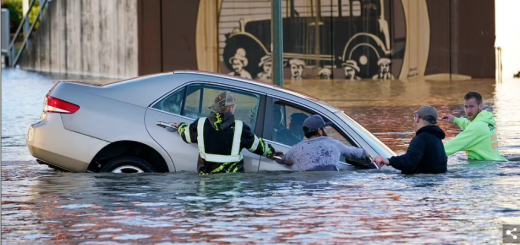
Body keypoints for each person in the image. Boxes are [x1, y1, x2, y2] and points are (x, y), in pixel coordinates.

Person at [174, 91, 282, 175]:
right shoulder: (240, 128)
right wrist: (273, 151)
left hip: (206, 184)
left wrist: (180, 126)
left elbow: (186, 135)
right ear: (231, 108)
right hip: (232, 187)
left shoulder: (200, 124)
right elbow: (258, 147)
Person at [278, 115, 369, 171]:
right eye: (324, 128)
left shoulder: (295, 149)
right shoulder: (335, 144)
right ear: (320, 131)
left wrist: (278, 154)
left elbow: (285, 160)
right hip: (330, 189)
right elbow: (359, 153)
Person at [374, 106, 447, 174]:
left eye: (415, 117)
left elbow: (410, 161)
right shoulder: (438, 140)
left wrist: (389, 161)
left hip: (422, 185)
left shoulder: (420, 139)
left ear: (418, 118)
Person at [441, 92, 508, 161]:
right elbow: (471, 126)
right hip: (494, 164)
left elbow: (451, 147)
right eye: (466, 107)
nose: (468, 111)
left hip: (483, 168)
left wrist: (431, 153)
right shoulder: (486, 120)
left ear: (480, 106)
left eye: (471, 107)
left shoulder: (476, 127)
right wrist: (455, 120)